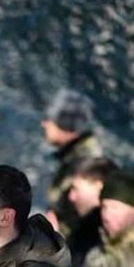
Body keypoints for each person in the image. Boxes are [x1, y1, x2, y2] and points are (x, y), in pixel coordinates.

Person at [41, 88, 103, 235]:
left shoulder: (85, 162)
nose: (44, 124)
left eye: (50, 119)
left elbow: (80, 224)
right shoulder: (75, 156)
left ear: (65, 124)